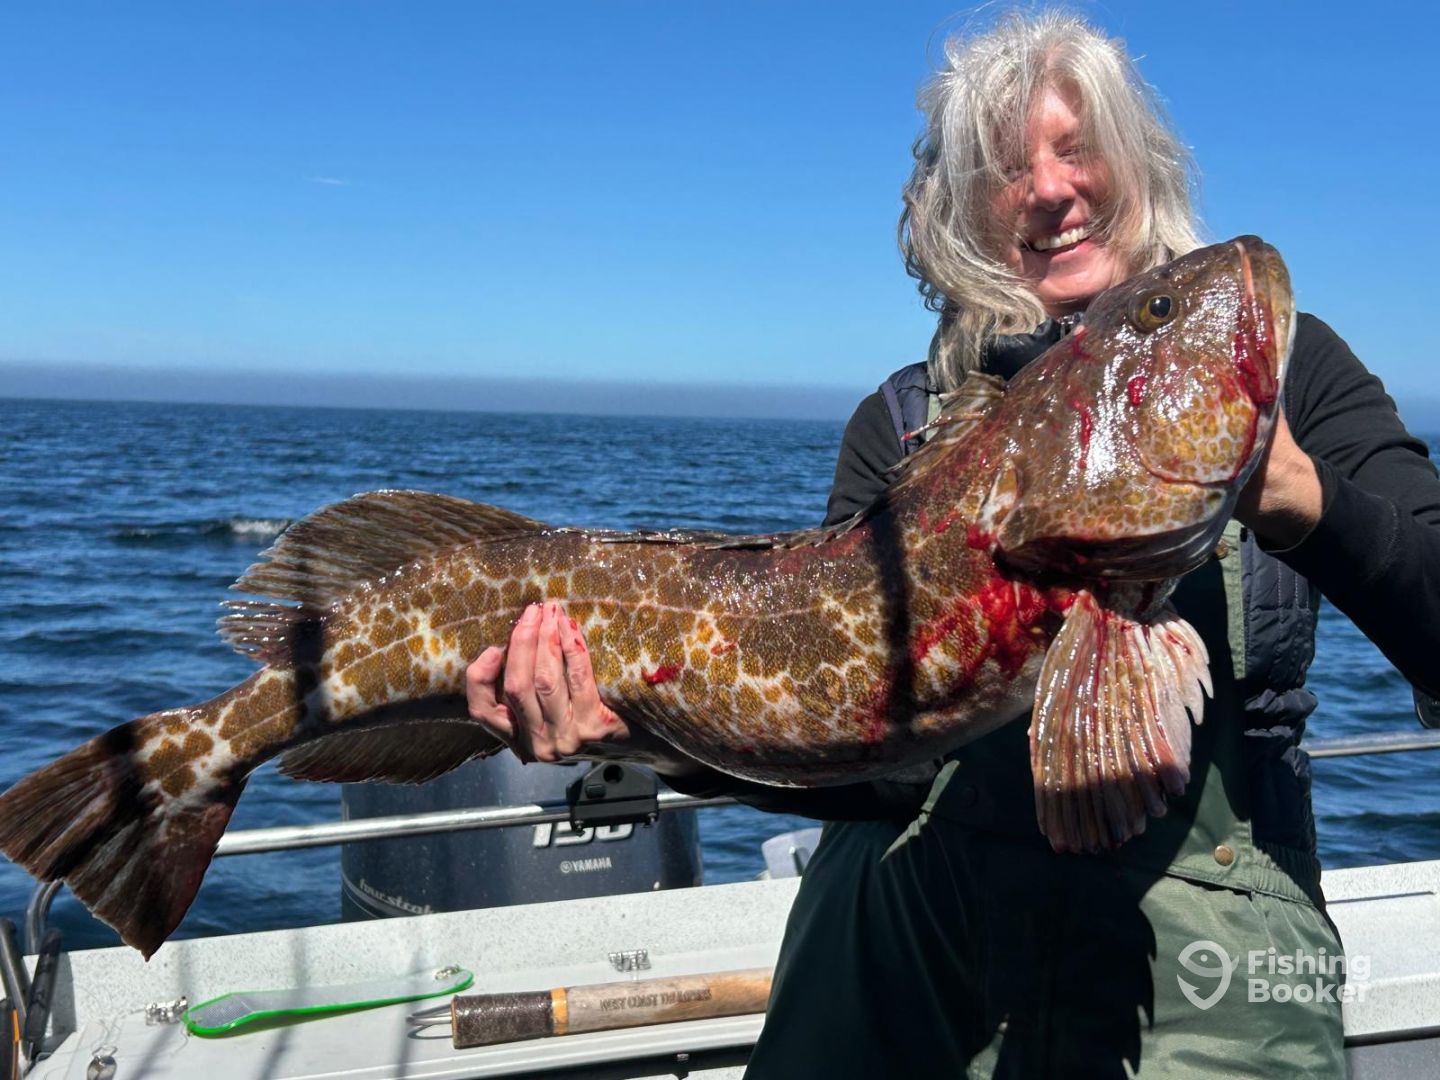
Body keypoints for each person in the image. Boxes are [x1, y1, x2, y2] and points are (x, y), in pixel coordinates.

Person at [465, 11, 1440, 1076]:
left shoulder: (1292, 371)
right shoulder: (899, 424)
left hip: (1206, 981)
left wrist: (1296, 495)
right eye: (1005, 169)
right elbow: (865, 768)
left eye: (1078, 148)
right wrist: (639, 736)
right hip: (905, 962)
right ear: (960, 212)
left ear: (1138, 161)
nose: (1050, 190)